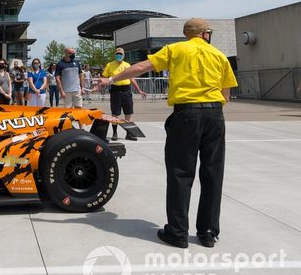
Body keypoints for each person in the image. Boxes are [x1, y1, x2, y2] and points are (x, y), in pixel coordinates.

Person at [95, 18, 237, 249]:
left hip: (187, 114)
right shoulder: (218, 55)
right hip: (214, 115)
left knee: (181, 172)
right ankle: (208, 232)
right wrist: (212, 112)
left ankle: (178, 232)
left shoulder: (176, 49)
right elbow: (226, 94)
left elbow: (142, 67)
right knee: (212, 172)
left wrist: (109, 79)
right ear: (205, 34)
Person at [102, 47, 147, 141]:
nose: (119, 55)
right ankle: (115, 133)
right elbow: (104, 78)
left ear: (124, 55)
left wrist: (139, 90)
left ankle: (129, 134)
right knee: (115, 113)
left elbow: (132, 78)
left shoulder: (127, 65)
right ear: (115, 55)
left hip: (126, 90)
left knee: (128, 113)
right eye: (117, 54)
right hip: (115, 90)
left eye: (121, 54)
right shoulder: (110, 65)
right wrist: (99, 86)